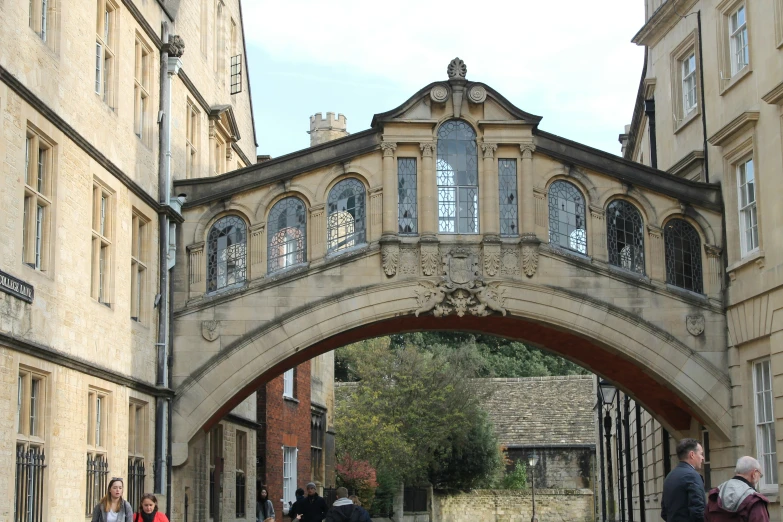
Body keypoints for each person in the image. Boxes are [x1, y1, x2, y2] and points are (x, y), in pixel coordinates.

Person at [706, 456, 770, 522]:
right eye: (760, 475)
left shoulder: (715, 495)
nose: (759, 478)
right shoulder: (754, 501)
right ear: (754, 473)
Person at [661, 438, 706, 522]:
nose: (702, 458)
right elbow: (698, 511)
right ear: (692, 454)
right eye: (701, 454)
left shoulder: (669, 477)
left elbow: (664, 512)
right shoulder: (692, 476)